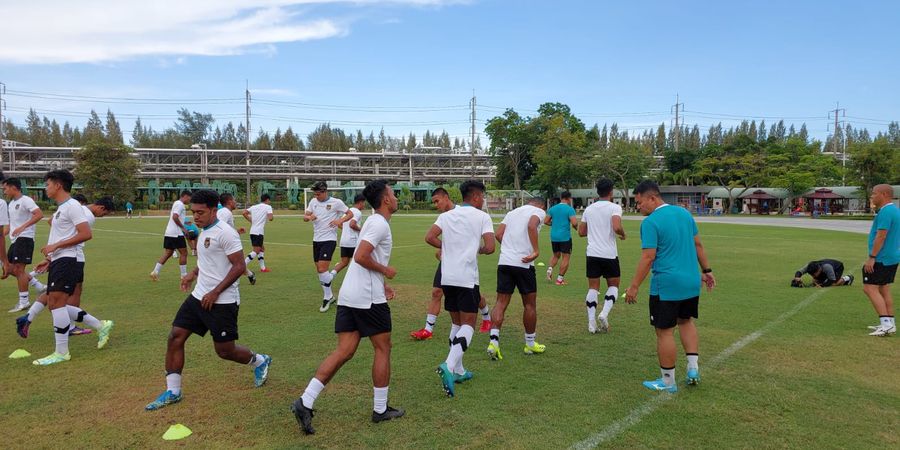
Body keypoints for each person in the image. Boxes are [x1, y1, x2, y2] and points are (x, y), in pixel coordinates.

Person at [291, 180, 404, 435]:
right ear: (386, 199)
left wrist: (382, 282)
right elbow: (362, 257)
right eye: (393, 194)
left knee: (344, 351)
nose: (396, 197)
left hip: (350, 294)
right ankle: (380, 409)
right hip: (367, 298)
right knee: (383, 347)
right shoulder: (378, 223)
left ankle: (305, 401)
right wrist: (386, 271)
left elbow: (366, 257)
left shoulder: (374, 222)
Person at [145, 189, 271, 411]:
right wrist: (192, 275)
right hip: (198, 297)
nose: (195, 217)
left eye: (200, 212)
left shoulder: (226, 233)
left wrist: (215, 292)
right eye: (193, 212)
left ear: (214, 210)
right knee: (175, 337)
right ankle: (173, 391)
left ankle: (260, 360)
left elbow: (239, 266)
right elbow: (207, 261)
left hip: (222, 301)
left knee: (225, 351)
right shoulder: (203, 231)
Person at [624, 180, 715, 393]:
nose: (638, 207)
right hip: (692, 281)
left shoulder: (650, 222)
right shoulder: (684, 214)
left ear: (652, 198)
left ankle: (667, 381)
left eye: (639, 203)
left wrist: (634, 286)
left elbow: (648, 257)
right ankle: (692, 370)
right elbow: (698, 244)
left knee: (664, 332)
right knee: (686, 321)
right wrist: (707, 270)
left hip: (667, 284)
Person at [425, 180, 495, 397]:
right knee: (468, 325)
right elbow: (491, 247)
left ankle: (459, 369)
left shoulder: (446, 216)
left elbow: (429, 237)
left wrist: (447, 247)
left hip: (447, 276)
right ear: (475, 197)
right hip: (466, 277)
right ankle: (448, 364)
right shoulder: (482, 217)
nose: (483, 200)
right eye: (482, 197)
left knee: (456, 323)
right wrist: (478, 249)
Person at [17, 197, 116, 343]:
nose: (102, 216)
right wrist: (55, 249)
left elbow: (52, 222)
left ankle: (29, 317)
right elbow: (83, 235)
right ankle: (82, 326)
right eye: (105, 214)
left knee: (53, 294)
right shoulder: (86, 215)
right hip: (72, 258)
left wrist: (51, 255)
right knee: (63, 298)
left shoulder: (70, 207)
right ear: (101, 208)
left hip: (60, 257)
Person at [410, 188, 492, 341]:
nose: (436, 205)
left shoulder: (464, 212)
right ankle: (428, 329)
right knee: (436, 292)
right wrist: (445, 248)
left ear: (446, 197)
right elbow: (431, 237)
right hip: (448, 262)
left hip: (464, 264)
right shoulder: (444, 216)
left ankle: (487, 317)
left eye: (437, 201)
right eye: (433, 202)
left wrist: (457, 249)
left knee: (474, 293)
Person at [30, 170, 94, 365]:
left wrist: (56, 247)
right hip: (59, 260)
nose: (45, 188)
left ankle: (61, 352)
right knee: (54, 304)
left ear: (58, 185)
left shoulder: (73, 206)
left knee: (56, 304)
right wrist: (49, 259)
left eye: (47, 184)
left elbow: (86, 233)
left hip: (67, 260)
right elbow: (60, 237)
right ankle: (98, 325)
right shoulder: (61, 208)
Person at [487, 197, 546, 361]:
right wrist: (535, 250)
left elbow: (498, 234)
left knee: (501, 302)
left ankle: (493, 343)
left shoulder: (512, 212)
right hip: (524, 264)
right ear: (541, 205)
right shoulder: (539, 211)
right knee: (529, 304)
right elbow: (531, 225)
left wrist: (508, 248)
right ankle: (530, 343)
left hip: (505, 262)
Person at [578, 178, 626, 334]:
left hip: (592, 253)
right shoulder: (614, 207)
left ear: (597, 192)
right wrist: (622, 234)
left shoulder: (589, 209)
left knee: (593, 288)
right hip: (609, 254)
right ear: (611, 192)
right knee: (613, 286)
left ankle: (591, 323)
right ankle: (604, 314)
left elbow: (581, 232)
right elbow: (617, 226)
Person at [303, 181, 353, 312]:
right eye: (315, 194)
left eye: (318, 194)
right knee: (320, 270)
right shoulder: (313, 202)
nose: (316, 196)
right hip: (316, 240)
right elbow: (305, 216)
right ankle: (329, 295)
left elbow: (350, 214)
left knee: (322, 269)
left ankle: (327, 295)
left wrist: (340, 220)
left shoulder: (336, 202)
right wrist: (309, 217)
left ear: (325, 191)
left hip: (329, 239)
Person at [862, 184, 899, 337]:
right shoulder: (894, 210)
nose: (872, 196)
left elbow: (881, 235)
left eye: (874, 194)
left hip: (882, 258)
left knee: (869, 288)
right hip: (891, 257)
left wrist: (872, 257)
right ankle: (889, 323)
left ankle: (886, 324)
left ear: (883, 194)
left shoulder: (886, 212)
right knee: (883, 288)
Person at [4, 177, 44, 313]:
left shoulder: (26, 200)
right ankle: (37, 285)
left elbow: (39, 214)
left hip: (25, 238)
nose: (4, 191)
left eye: (5, 188)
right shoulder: (10, 204)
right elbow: (9, 226)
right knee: (9, 268)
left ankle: (24, 302)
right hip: (15, 240)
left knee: (19, 270)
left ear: (13, 187)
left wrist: (23, 227)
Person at [150, 191, 191, 281]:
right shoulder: (180, 204)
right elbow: (175, 217)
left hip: (169, 233)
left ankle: (155, 272)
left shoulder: (177, 203)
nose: (190, 200)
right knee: (184, 253)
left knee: (168, 253)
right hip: (176, 234)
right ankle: (184, 275)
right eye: (189, 198)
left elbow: (176, 217)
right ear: (185, 196)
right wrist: (183, 228)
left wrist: (185, 222)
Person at [218, 193, 256, 285]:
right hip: (226, 244)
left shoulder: (225, 212)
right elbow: (219, 227)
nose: (235, 202)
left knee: (237, 264)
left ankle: (250, 275)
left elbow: (225, 228)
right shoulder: (225, 212)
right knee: (236, 264)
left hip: (226, 243)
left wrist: (236, 231)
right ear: (229, 201)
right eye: (234, 200)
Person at [545, 191, 577, 285]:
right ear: (568, 198)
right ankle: (559, 279)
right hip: (565, 237)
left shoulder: (553, 208)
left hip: (554, 236)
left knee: (556, 255)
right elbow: (574, 223)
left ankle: (550, 269)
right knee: (565, 258)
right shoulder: (569, 209)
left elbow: (546, 221)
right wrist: (576, 228)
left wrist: (554, 224)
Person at [332, 194, 366, 276]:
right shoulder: (357, 212)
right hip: (352, 242)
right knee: (359, 263)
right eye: (364, 203)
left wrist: (346, 231)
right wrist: (362, 230)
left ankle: (330, 276)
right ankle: (356, 281)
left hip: (344, 241)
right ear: (361, 202)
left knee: (344, 262)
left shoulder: (349, 211)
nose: (364, 205)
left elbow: (339, 224)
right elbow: (352, 224)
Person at [243, 194, 274, 273]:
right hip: (259, 232)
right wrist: (270, 216)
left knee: (262, 249)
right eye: (269, 200)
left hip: (253, 231)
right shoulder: (268, 207)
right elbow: (270, 218)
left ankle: (263, 268)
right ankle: (242, 266)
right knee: (256, 251)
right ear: (267, 200)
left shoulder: (254, 207)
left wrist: (251, 220)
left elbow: (244, 213)